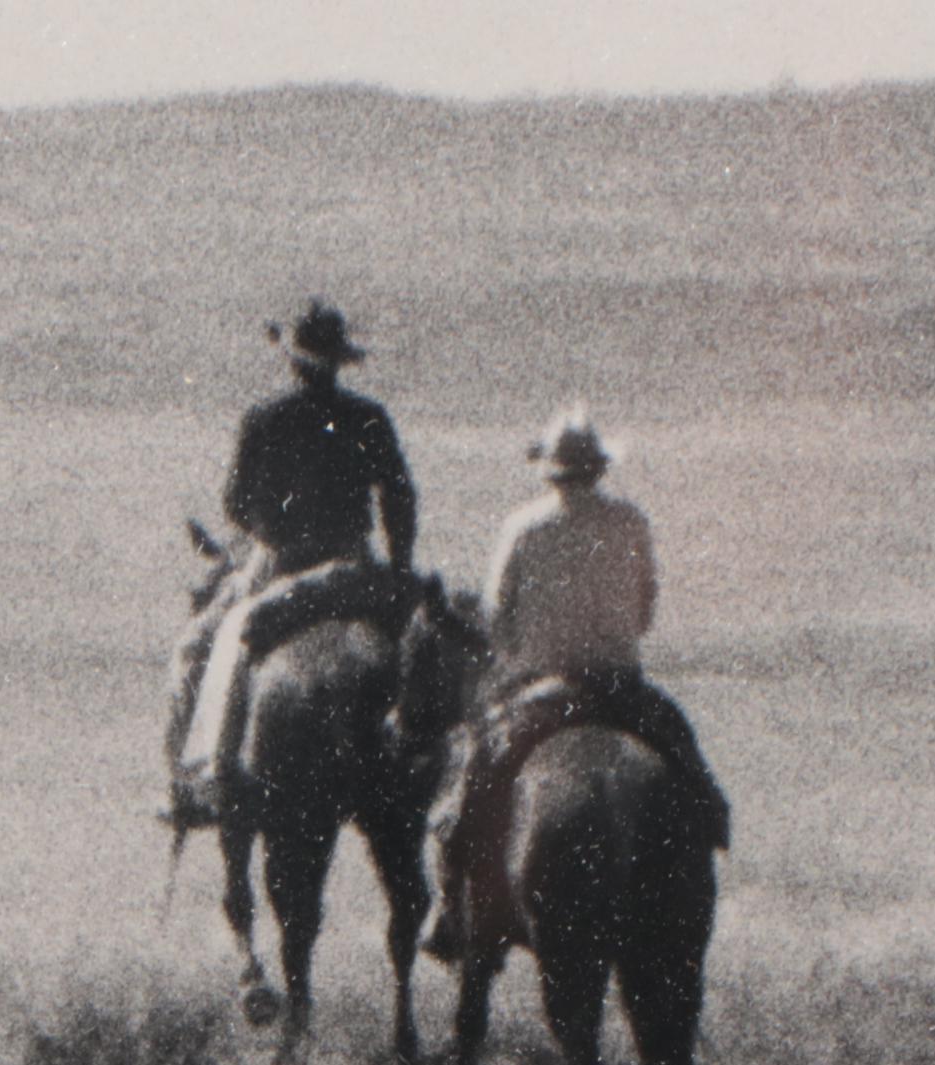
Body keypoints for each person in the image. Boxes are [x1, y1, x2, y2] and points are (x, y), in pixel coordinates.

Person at [427, 409, 728, 961]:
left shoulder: (522, 526)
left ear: (550, 470)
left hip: (545, 688)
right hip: (623, 686)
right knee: (687, 762)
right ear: (599, 468)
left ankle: (455, 910)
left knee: (473, 786)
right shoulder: (631, 521)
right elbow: (644, 613)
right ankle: (709, 833)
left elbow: (498, 618)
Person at [165, 300, 420, 826]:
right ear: (339, 362)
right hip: (354, 561)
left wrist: (270, 527)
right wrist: (398, 569)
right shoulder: (369, 417)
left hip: (279, 563)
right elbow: (399, 499)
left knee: (205, 645)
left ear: (293, 363)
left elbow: (235, 503)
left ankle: (203, 773)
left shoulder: (265, 419)